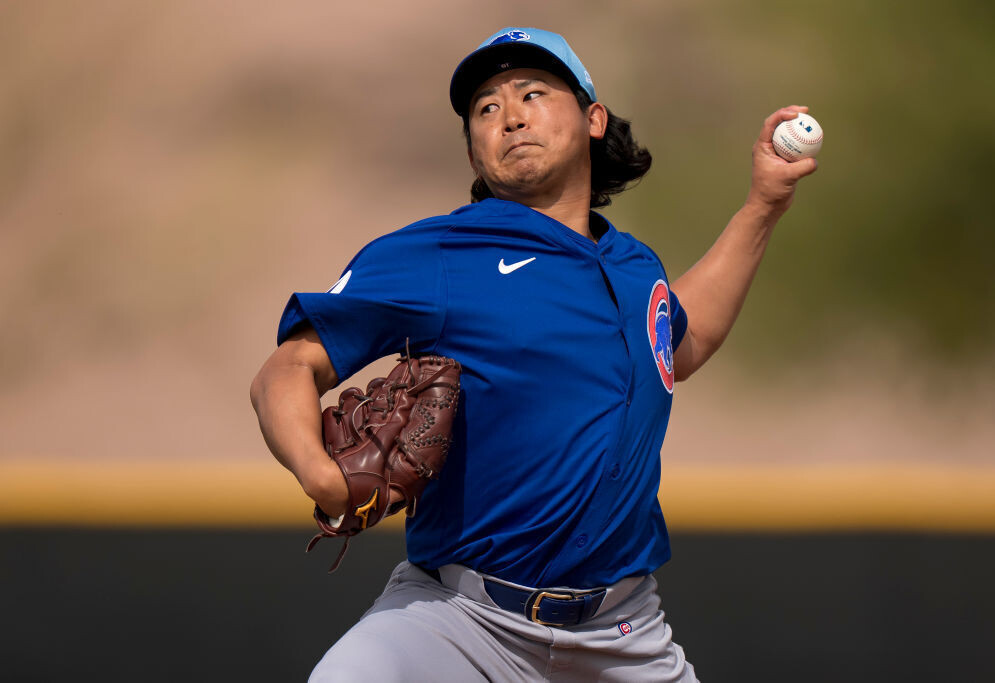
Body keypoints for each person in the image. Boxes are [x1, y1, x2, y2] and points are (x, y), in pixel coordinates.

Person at [251, 26, 817, 682]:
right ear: (473, 152)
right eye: (485, 109)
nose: (510, 115)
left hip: (625, 635)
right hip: (457, 621)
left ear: (594, 119)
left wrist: (764, 204)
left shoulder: (635, 267)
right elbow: (287, 368)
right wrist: (319, 473)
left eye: (533, 93)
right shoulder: (439, 255)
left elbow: (679, 344)